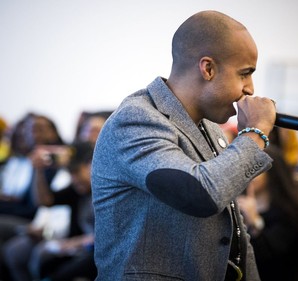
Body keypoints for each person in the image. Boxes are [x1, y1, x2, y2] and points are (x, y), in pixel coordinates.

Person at [92, 10, 276, 281]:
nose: (250, 89)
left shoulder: (209, 126)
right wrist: (255, 133)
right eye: (245, 74)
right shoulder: (136, 120)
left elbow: (233, 230)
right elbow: (198, 193)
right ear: (208, 68)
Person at [3, 141, 96, 281]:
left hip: (96, 251)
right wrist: (38, 170)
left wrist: (74, 243)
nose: (74, 179)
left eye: (76, 171)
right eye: (70, 173)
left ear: (91, 166)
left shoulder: (104, 191)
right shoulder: (77, 190)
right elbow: (45, 201)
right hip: (78, 249)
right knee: (40, 258)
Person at [237, 146, 298, 281]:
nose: (250, 173)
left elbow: (272, 257)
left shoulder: (289, 211)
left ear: (272, 171)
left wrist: (254, 221)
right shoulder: (239, 202)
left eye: (256, 167)